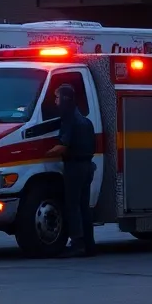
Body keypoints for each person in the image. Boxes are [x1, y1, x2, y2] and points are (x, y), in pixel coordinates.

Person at [55, 83, 97, 257]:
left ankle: (77, 244)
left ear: (65, 99)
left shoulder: (69, 119)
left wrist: (43, 153)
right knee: (84, 206)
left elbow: (63, 146)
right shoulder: (85, 120)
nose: (55, 101)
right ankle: (89, 245)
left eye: (57, 97)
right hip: (88, 167)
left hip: (74, 167)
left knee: (72, 206)